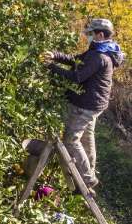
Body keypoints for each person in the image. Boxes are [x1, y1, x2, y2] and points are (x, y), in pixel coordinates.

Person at [42, 18, 125, 194]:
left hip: (87, 105)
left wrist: (51, 67)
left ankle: (87, 179)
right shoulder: (103, 50)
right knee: (87, 138)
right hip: (95, 104)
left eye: (91, 34)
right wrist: (55, 56)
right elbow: (76, 60)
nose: (89, 37)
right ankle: (89, 174)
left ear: (100, 35)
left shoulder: (99, 56)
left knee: (71, 140)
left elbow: (76, 77)